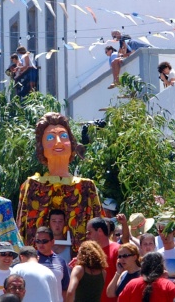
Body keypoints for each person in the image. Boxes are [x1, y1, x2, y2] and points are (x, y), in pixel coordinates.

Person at [16, 112, 103, 253]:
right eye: (50, 137)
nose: (58, 142)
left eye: (63, 136)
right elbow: (22, 229)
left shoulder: (86, 187)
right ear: (41, 147)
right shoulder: (32, 185)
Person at [86, 217, 120, 302]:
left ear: (100, 231)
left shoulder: (117, 250)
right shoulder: (89, 251)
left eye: (89, 232)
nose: (87, 236)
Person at [35, 227, 70, 301]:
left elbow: (65, 288)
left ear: (52, 242)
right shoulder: (31, 260)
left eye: (44, 241)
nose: (41, 244)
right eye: (38, 241)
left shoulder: (61, 262)